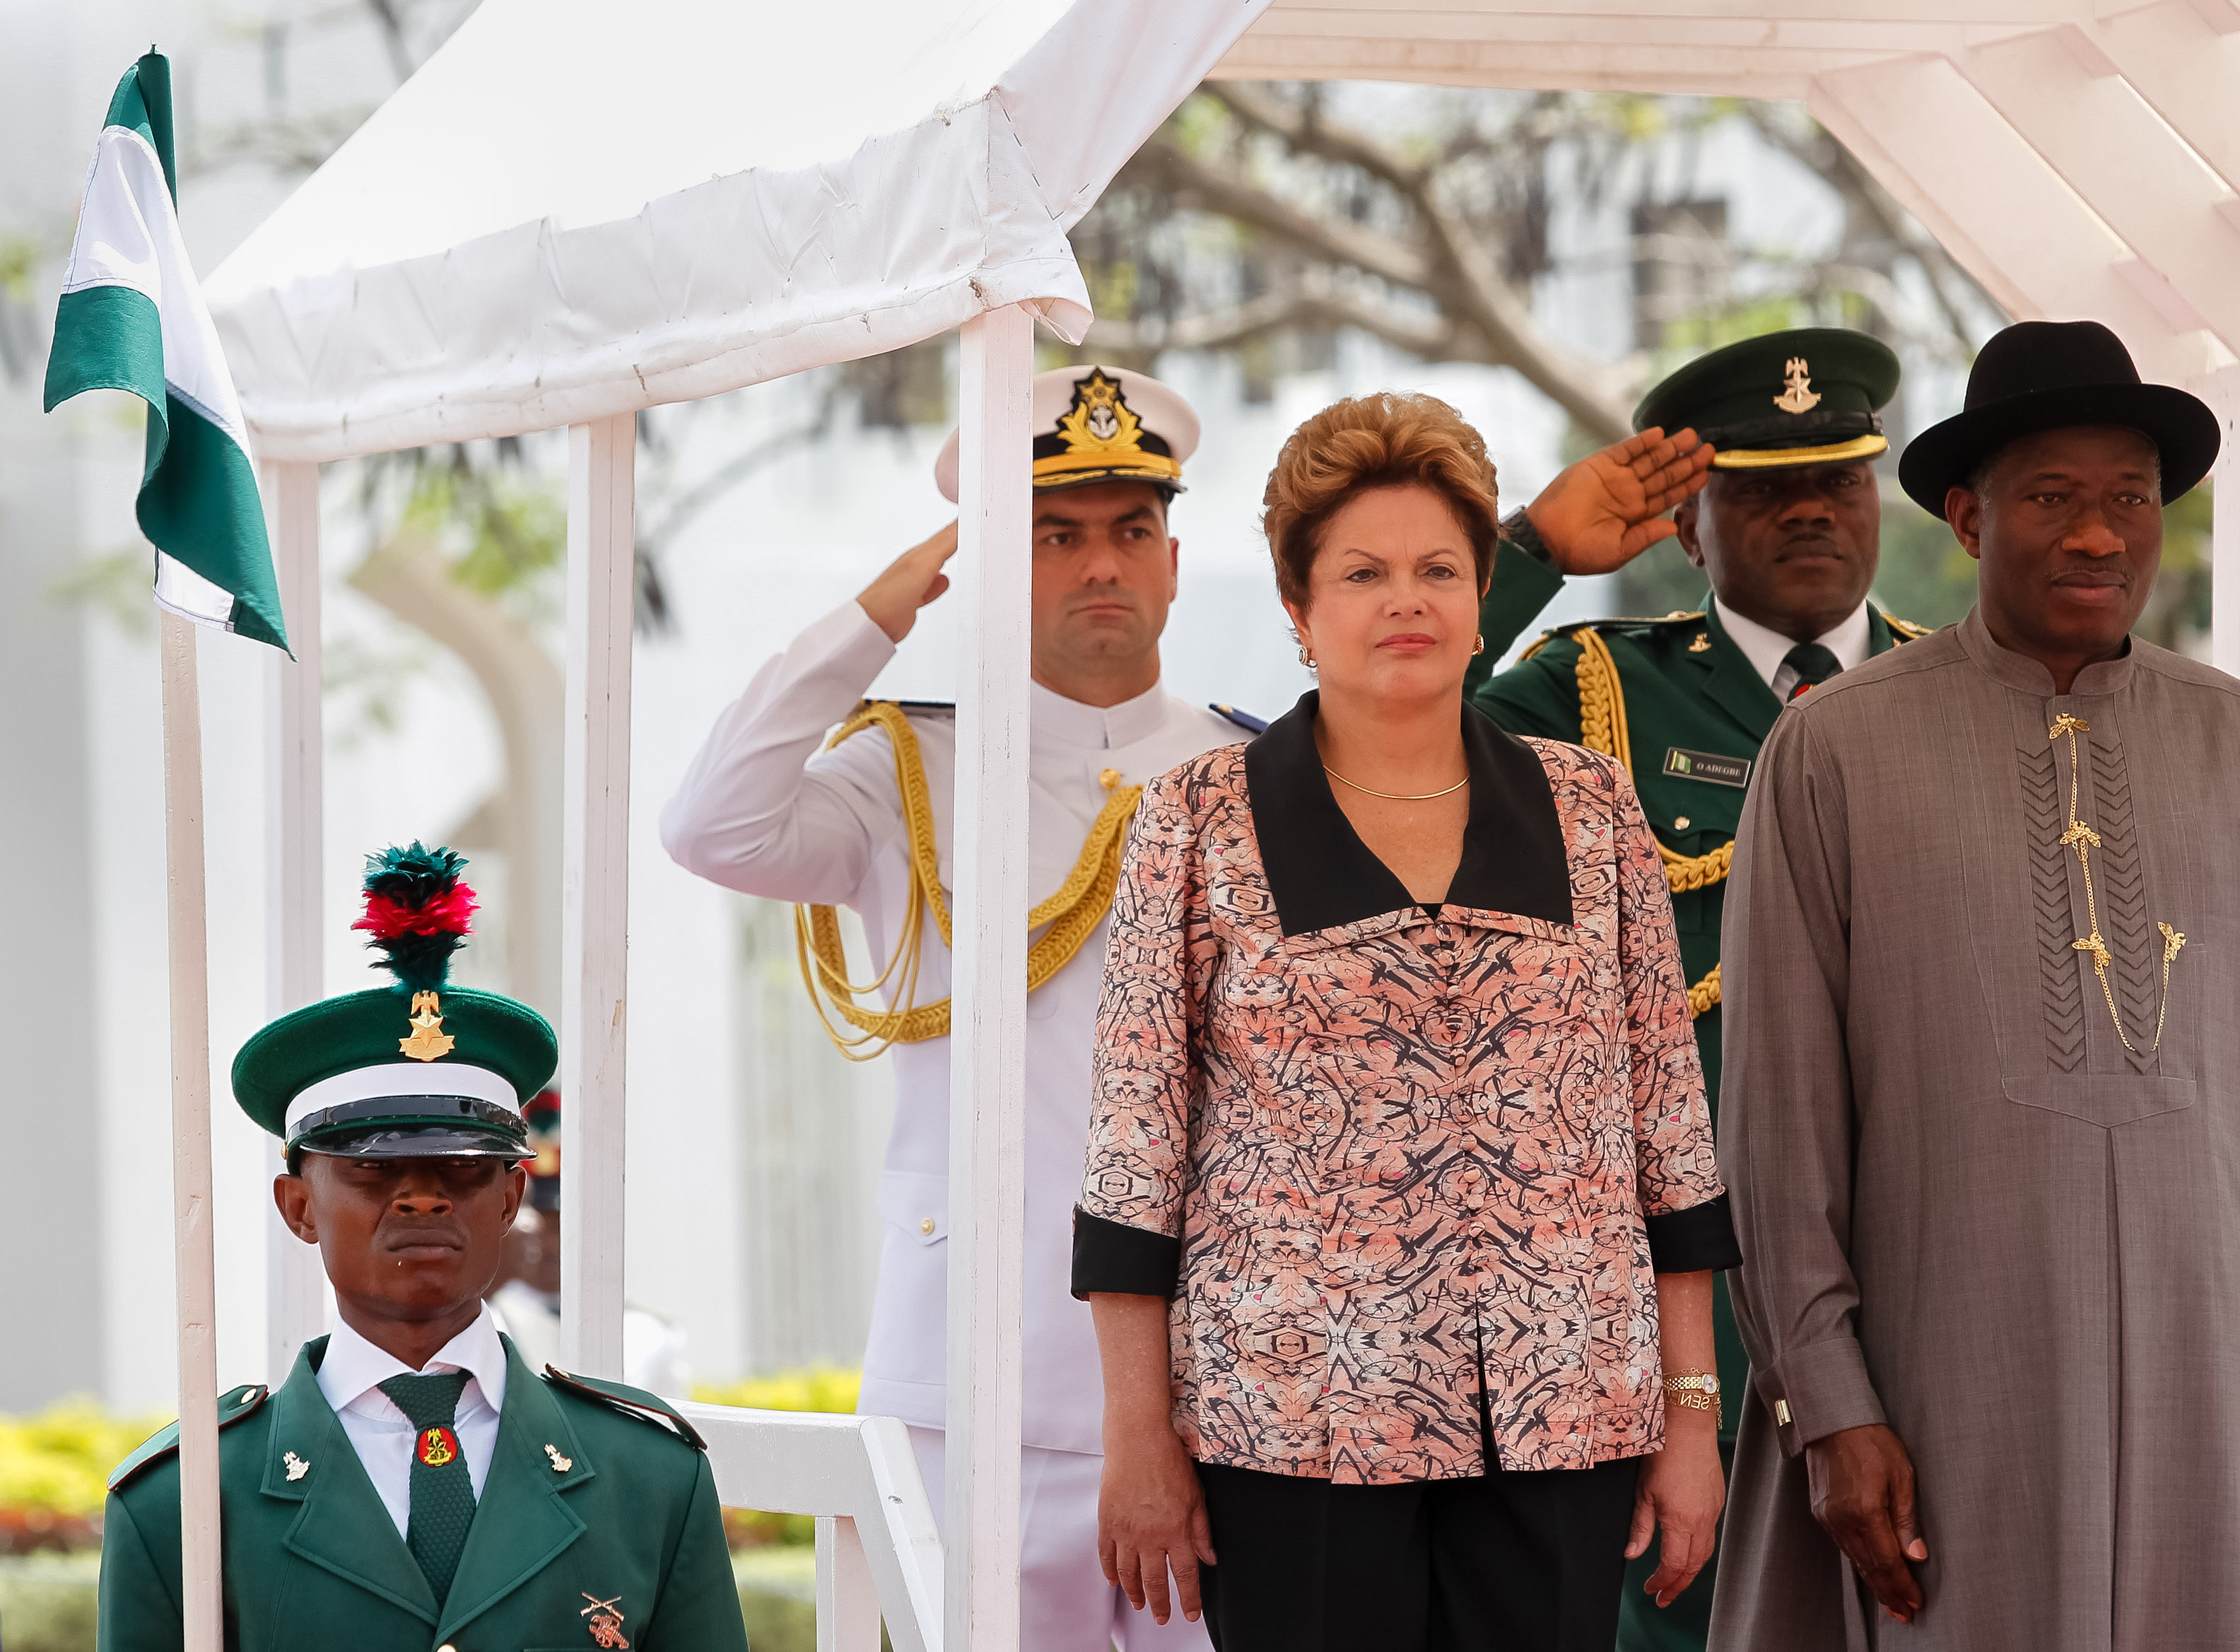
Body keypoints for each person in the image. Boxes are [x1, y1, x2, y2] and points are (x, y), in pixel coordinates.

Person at [1708, 319, 2240, 1650]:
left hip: (2222, 1395)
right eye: (2052, 498)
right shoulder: (1831, 749)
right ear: (1967, 518)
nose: (2098, 535)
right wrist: (1830, 1400)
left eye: (2129, 497)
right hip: (1943, 1389)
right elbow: (1775, 1118)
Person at [1074, 392, 1739, 1652]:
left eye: (1439, 568)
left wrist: (1691, 1415)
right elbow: (1134, 1150)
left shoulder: (1591, 803)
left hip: (1567, 1413)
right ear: (1298, 605)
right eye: (1363, 572)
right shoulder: (1198, 817)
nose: (1405, 600)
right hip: (1291, 1425)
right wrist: (1138, 1438)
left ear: (1486, 593)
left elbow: (1670, 1127)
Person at [662, 365, 1256, 1651]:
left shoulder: (1251, 771)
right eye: (1050, 535)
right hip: (974, 1366)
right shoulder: (907, 770)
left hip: (1218, 1375)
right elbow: (712, 825)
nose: (1100, 564)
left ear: (1170, 559)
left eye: (1128, 531)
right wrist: (877, 614)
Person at [1467, 327, 1926, 1651]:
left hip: (1904, 1248)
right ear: (1687, 523)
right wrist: (1529, 558)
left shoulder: (1947, 692)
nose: (1808, 512)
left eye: (1838, 482)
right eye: (1760, 488)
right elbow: (1372, 738)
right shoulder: (1595, 690)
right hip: (1674, 1268)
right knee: (1678, 1601)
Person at [99, 844, 744, 1652]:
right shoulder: (188, 1500)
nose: (422, 1196)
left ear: (511, 1197)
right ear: (298, 1207)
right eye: (373, 1169)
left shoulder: (647, 1476)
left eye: (462, 1170)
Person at [488, 1091, 693, 1397]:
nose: (550, 1243)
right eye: (540, 1221)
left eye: (565, 1225)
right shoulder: (486, 1321)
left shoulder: (645, 1336)